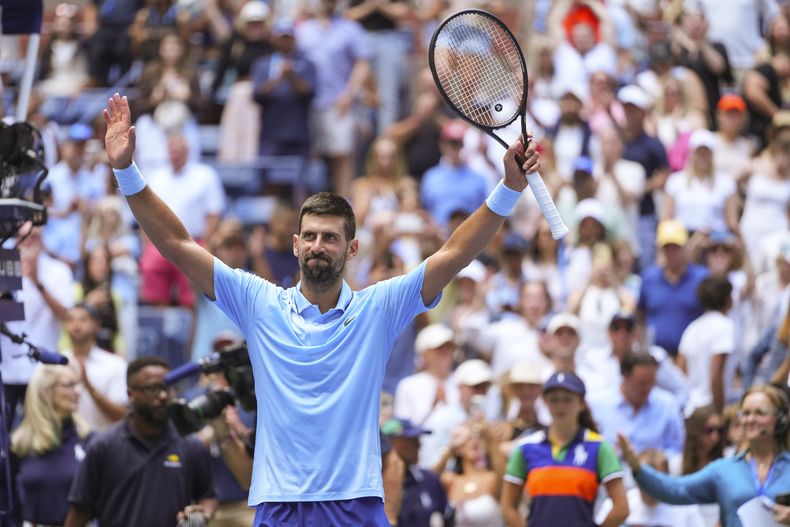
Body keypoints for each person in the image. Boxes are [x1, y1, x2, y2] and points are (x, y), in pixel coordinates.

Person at [100, 92, 542, 525]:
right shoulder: (259, 302)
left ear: (351, 249)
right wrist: (126, 170)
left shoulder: (378, 308)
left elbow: (453, 255)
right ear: (295, 245)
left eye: (330, 238)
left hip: (355, 505)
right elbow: (177, 245)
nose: (318, 246)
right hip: (280, 505)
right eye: (309, 236)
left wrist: (508, 188)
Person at [65, 356, 218, 526]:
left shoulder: (191, 445)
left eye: (168, 388)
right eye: (153, 389)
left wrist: (201, 514)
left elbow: (207, 496)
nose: (162, 395)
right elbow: (80, 510)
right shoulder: (103, 446)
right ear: (131, 393)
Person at [618, 384, 790, 527]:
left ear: (780, 419)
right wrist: (638, 468)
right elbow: (676, 490)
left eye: (760, 413)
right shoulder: (724, 470)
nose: (750, 419)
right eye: (745, 413)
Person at [501, 371, 629, 527]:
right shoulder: (526, 447)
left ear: (581, 403)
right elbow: (508, 507)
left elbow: (622, 508)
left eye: (567, 399)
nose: (560, 406)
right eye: (554, 400)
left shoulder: (599, 447)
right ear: (545, 402)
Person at [10, 364, 92, 527]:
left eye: (78, 384)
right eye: (69, 385)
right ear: (44, 392)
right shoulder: (19, 445)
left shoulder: (89, 439)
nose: (78, 391)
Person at [588, 351, 685, 464]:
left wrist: (657, 458)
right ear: (625, 377)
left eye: (652, 383)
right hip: (610, 472)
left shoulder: (667, 404)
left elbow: (677, 447)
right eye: (642, 383)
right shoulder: (598, 405)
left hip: (655, 474)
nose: (648, 388)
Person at [61, 304, 127, 431]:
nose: (76, 325)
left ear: (97, 325)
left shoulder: (116, 364)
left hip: (104, 442)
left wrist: (88, 385)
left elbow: (121, 415)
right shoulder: (55, 363)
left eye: (83, 320)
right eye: (70, 320)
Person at [678, 275, 734, 414]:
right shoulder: (725, 326)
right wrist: (720, 411)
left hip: (690, 407)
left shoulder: (692, 327)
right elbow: (716, 374)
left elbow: (680, 370)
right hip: (710, 407)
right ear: (727, 299)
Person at [380, 417, 448, 527]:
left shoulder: (429, 480)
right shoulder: (377, 485)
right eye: (410, 441)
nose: (418, 445)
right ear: (391, 443)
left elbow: (446, 516)